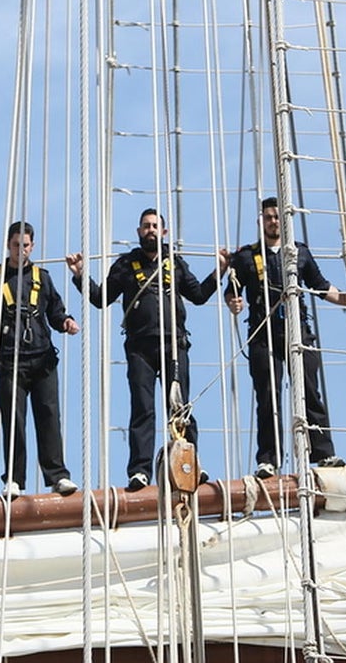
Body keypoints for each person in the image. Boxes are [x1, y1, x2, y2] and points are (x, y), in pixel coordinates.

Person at [66, 208, 226, 491]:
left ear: (163, 232)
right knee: (143, 408)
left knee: (180, 408)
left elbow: (199, 296)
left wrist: (220, 271)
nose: (150, 230)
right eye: (145, 226)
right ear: (139, 231)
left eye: (155, 226)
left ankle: (189, 462)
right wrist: (80, 275)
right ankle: (140, 470)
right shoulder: (126, 265)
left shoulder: (175, 264)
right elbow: (101, 298)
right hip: (140, 347)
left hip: (174, 344)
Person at [224, 197, 346, 478]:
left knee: (309, 390)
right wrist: (234, 302)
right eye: (268, 217)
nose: (273, 221)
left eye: (277, 217)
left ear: (284, 220)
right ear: (260, 222)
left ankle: (323, 452)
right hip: (262, 333)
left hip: (296, 330)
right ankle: (268, 459)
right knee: (268, 395)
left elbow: (321, 287)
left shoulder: (298, 253)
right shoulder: (245, 256)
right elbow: (232, 290)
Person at [0, 221, 81, 499]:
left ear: (32, 246)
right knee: (14, 421)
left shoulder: (43, 277)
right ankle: (15, 478)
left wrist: (66, 322)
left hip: (42, 360)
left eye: (25, 245)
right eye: (16, 245)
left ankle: (58, 475)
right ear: (8, 245)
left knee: (49, 417)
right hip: (10, 361)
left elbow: (55, 311)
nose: (21, 250)